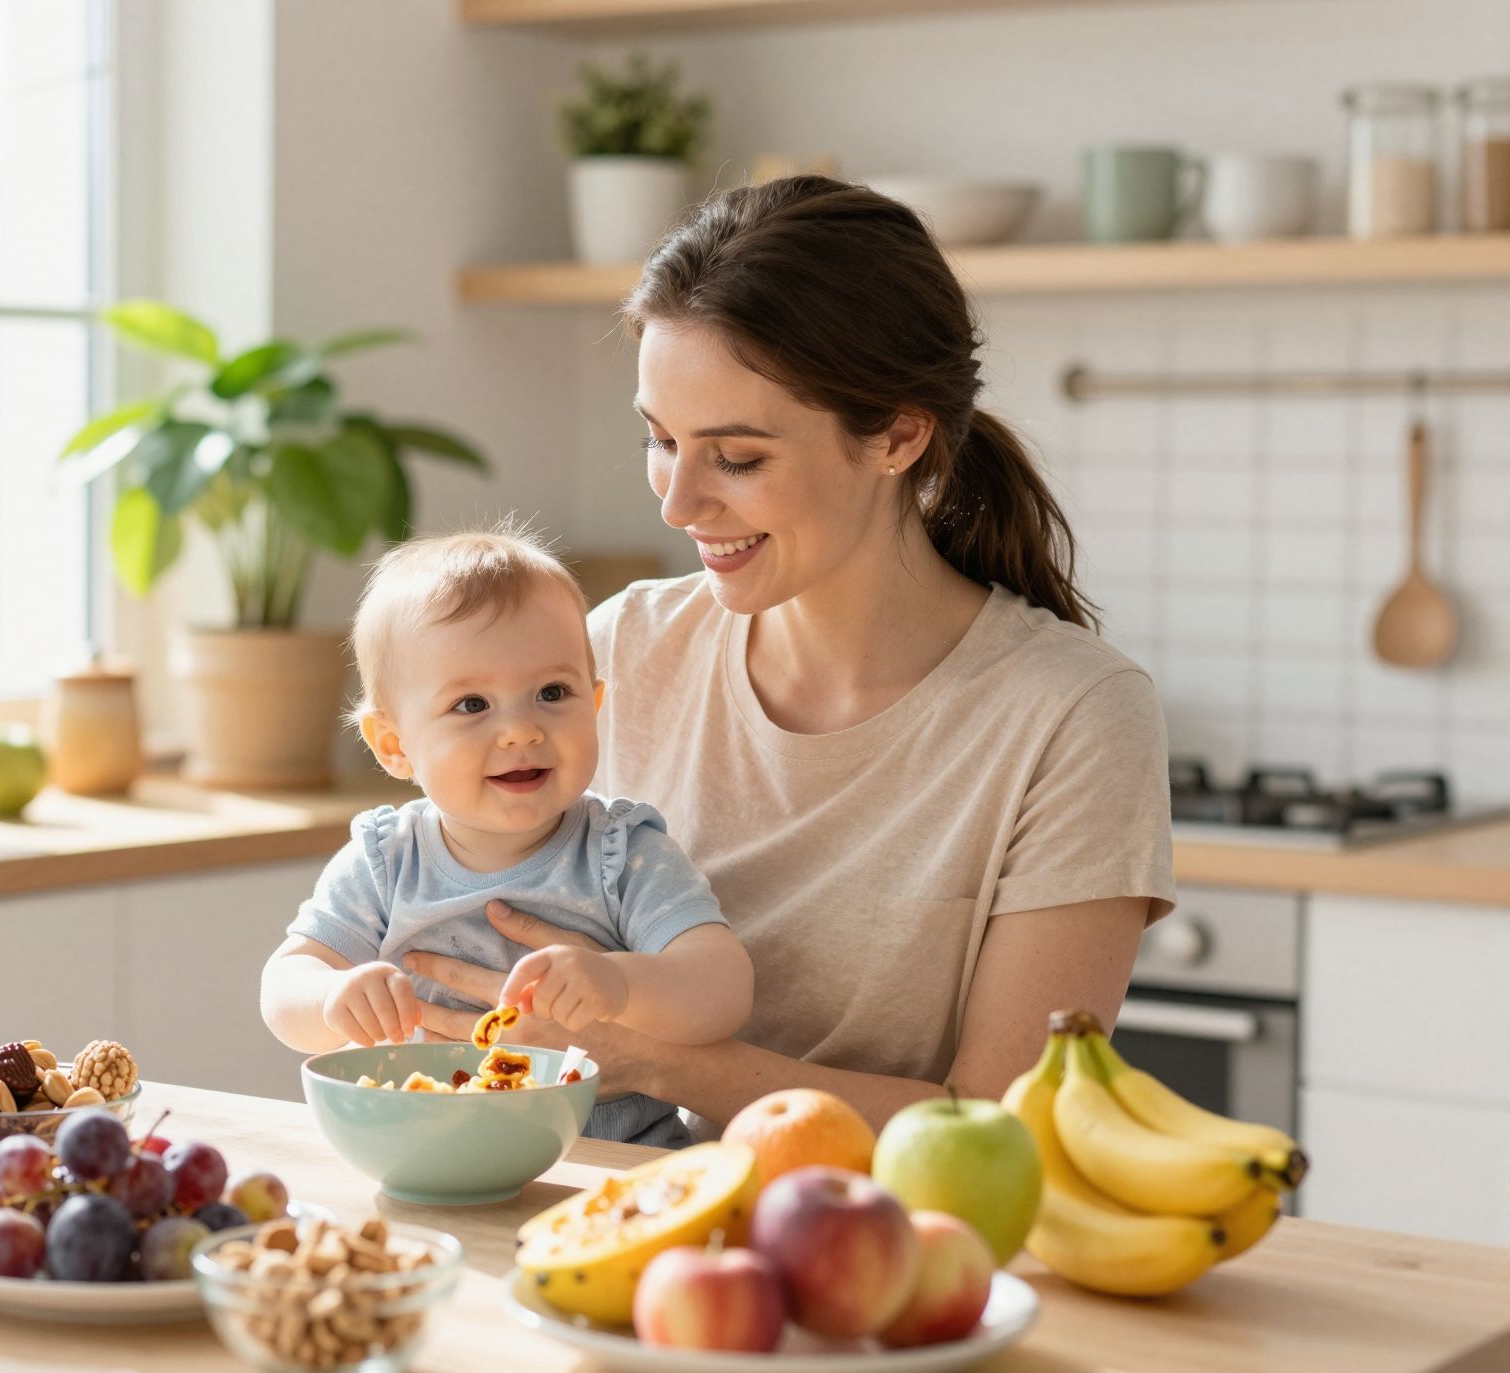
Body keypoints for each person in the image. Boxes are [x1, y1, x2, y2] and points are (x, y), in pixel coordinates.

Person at [399, 176, 1176, 1139]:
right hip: (614, 1223)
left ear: (896, 434)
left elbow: (1009, 1130)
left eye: (737, 458)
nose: (678, 503)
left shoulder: (1072, 717)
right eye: (660, 439)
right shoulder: (620, 651)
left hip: (906, 1256)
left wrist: (659, 1060)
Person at [259, 528, 754, 1147]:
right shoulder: (385, 859)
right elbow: (284, 986)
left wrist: (622, 984)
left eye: (552, 693)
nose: (521, 730)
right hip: (426, 1152)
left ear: (595, 704)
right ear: (394, 746)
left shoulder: (623, 851)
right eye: (472, 705)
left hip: (606, 1160)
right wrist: (332, 996)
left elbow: (721, 986)